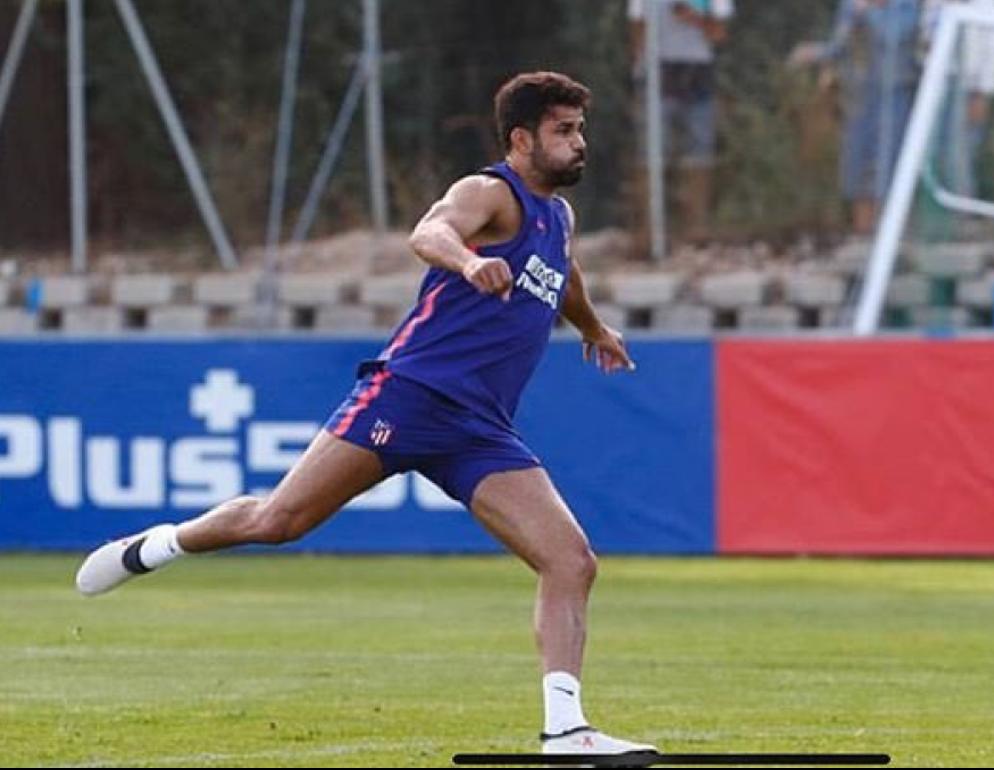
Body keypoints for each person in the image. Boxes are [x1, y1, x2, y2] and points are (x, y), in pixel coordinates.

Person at [74, 71, 658, 761]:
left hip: (479, 429)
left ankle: (565, 730)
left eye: (580, 129)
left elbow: (565, 274)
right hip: (409, 396)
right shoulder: (487, 193)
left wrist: (591, 328)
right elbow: (430, 230)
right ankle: (154, 547)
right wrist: (469, 263)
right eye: (564, 131)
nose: (579, 143)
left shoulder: (558, 218)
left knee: (571, 560)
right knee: (277, 522)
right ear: (523, 138)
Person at [790, 0, 922, 236]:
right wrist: (813, 53)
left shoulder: (909, 6)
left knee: (892, 163)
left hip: (896, 95)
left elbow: (900, 38)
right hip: (861, 96)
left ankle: (892, 237)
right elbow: (839, 45)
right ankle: (862, 235)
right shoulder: (851, 5)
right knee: (859, 167)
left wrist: (872, 11)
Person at [628, 0, 734, 241]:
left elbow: (719, 33)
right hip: (657, 74)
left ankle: (696, 228)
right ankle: (649, 229)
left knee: (699, 153)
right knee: (650, 154)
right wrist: (638, 76)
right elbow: (637, 28)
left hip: (697, 74)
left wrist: (694, 17)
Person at [923, 0, 994, 198]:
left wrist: (982, 94)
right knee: (932, 155)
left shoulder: (988, 6)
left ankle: (960, 214)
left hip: (969, 89)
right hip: (935, 87)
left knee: (960, 157)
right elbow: (924, 40)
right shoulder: (933, 3)